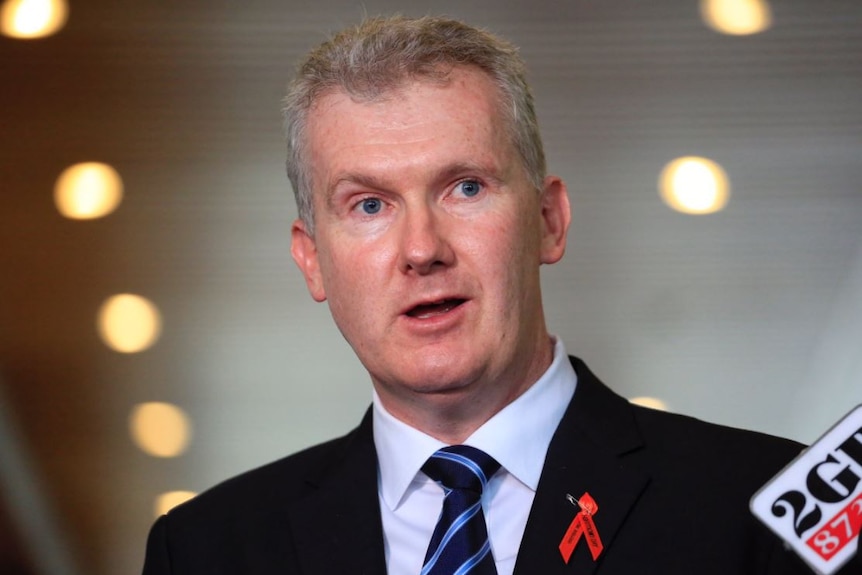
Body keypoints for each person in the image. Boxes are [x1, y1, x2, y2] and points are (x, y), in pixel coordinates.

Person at [142, 15, 859, 575]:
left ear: (549, 220)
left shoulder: (764, 505)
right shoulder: (207, 548)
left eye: (466, 187)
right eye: (368, 205)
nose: (422, 248)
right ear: (312, 261)